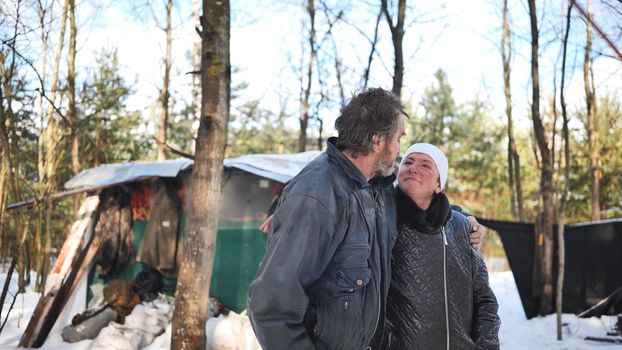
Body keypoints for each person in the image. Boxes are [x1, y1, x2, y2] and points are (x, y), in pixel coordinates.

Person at [248, 87, 407, 350]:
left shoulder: (375, 188)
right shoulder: (317, 195)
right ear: (378, 141)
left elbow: (422, 195)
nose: (399, 149)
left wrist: (462, 219)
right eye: (398, 139)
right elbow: (271, 305)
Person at [385, 143, 500, 350]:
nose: (413, 167)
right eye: (408, 162)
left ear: (439, 184)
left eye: (426, 165)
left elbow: (484, 299)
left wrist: (487, 345)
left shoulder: (462, 227)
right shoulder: (382, 218)